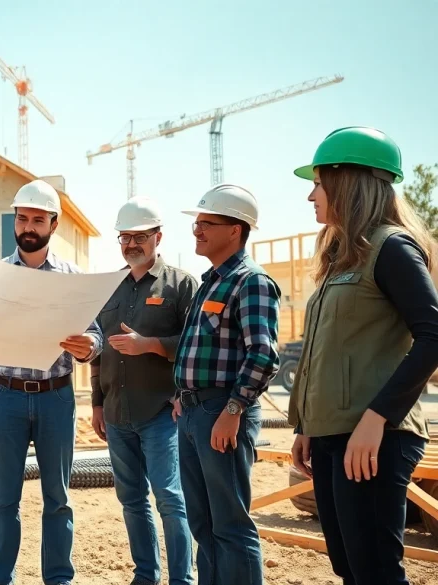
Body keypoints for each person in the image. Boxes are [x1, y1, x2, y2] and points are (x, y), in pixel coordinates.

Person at [288, 127, 438, 585]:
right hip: (335, 436)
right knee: (349, 567)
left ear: (347, 181)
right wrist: (305, 426)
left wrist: (377, 419)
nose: (311, 195)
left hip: (377, 437)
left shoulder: (392, 247)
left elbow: (433, 336)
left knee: (375, 572)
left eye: (317, 183)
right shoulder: (342, 257)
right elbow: (325, 352)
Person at [0, 180, 100, 585]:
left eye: (38, 219)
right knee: (4, 499)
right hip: (7, 399)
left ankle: (58, 578)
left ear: (54, 224)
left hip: (56, 398)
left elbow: (96, 336)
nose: (28, 226)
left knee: (58, 498)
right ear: (14, 222)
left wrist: (89, 345)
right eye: (22, 218)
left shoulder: (72, 278)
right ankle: (1, 578)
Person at [173, 183, 281, 585]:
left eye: (207, 223)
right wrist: (180, 396)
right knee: (203, 523)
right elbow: (199, 349)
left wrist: (233, 410)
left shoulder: (251, 281)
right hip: (193, 413)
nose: (197, 230)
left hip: (222, 414)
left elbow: (262, 355)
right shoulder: (210, 282)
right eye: (197, 223)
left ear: (235, 230)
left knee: (231, 526)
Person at [93, 197, 197, 585]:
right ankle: (145, 576)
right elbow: (98, 349)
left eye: (139, 237)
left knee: (170, 499)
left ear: (158, 236)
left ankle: (181, 579)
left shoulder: (181, 285)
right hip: (117, 415)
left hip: (161, 414)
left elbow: (194, 344)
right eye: (125, 237)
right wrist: (98, 404)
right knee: (132, 501)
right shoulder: (110, 287)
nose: (131, 244)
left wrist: (149, 344)